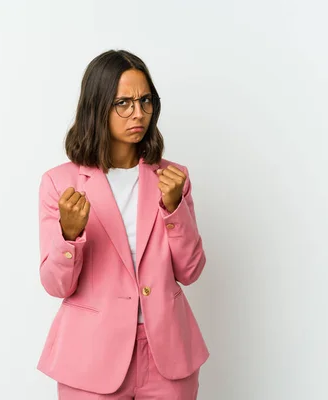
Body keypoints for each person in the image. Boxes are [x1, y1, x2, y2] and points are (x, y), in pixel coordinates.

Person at [37, 49, 209, 399]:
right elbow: (56, 285)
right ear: (98, 106)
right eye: (124, 103)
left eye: (146, 100)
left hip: (168, 355)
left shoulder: (173, 178)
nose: (139, 113)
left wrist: (174, 209)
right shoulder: (60, 184)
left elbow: (190, 271)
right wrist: (68, 236)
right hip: (90, 358)